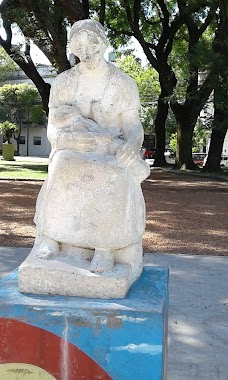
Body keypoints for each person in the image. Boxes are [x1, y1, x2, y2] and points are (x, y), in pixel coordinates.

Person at [33, 19, 150, 275]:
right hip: (73, 148)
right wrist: (65, 140)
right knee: (63, 165)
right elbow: (53, 128)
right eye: (79, 46)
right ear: (72, 49)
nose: (87, 52)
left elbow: (132, 126)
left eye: (93, 43)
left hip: (110, 150)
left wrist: (132, 144)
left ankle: (105, 247)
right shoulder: (63, 82)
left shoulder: (123, 84)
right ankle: (53, 236)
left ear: (104, 43)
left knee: (115, 174)